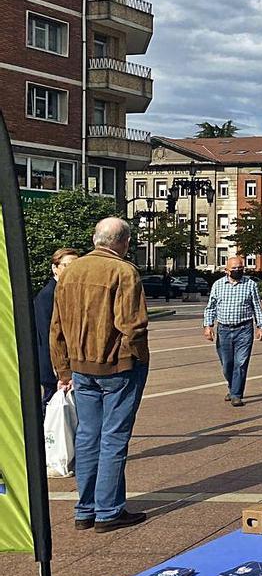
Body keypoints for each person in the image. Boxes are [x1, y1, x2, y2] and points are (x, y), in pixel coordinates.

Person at [49, 218, 149, 533]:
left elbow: (57, 327)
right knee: (114, 438)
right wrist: (139, 357)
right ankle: (108, 511)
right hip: (117, 365)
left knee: (88, 436)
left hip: (80, 366)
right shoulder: (124, 271)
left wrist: (64, 368)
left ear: (95, 239)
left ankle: (85, 509)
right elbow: (132, 324)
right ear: (125, 242)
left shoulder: (72, 271)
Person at [202, 256, 262, 407]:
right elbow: (211, 307)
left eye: (240, 268)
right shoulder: (218, 285)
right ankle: (232, 387)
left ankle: (236, 394)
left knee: (241, 362)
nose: (238, 271)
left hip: (244, 329)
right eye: (234, 269)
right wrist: (208, 326)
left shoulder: (250, 285)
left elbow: (257, 307)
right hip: (224, 330)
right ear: (226, 270)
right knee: (227, 364)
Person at [34, 247, 80, 407]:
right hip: (55, 368)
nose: (72, 271)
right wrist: (59, 372)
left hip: (69, 365)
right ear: (55, 268)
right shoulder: (47, 295)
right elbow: (46, 335)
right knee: (53, 411)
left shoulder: (70, 292)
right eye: (67, 266)